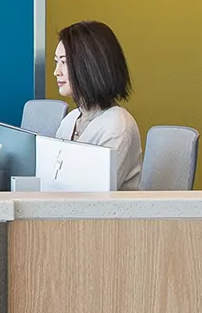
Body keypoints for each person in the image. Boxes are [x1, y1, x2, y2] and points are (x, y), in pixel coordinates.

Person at [51, 20, 143, 190]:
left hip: (98, 216)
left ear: (89, 65)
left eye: (64, 62)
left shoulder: (117, 127)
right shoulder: (70, 120)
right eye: (56, 62)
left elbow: (94, 201)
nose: (56, 71)